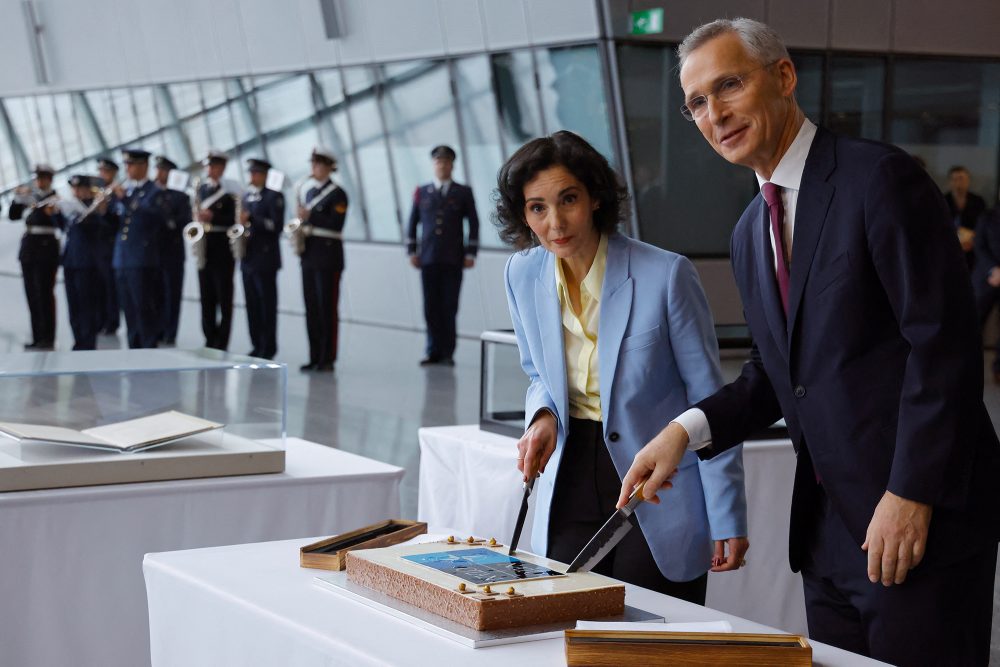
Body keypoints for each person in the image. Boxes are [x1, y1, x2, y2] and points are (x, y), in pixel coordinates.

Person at [616, 19, 1000, 666]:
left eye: (729, 85)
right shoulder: (747, 232)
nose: (716, 114)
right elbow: (772, 375)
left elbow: (945, 348)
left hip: (916, 518)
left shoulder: (879, 179)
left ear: (784, 77)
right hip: (825, 533)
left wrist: (910, 494)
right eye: (697, 103)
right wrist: (682, 432)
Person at [498, 131, 748, 602]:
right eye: (537, 207)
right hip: (570, 472)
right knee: (568, 626)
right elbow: (537, 374)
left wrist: (727, 513)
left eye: (568, 199)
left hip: (659, 481)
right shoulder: (521, 273)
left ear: (594, 197)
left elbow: (710, 402)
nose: (555, 222)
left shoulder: (666, 274)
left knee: (650, 641)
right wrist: (545, 415)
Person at [407, 145, 480, 366]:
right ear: (433, 165)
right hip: (428, 258)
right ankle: (432, 350)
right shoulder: (422, 191)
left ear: (452, 165)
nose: (442, 165)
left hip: (453, 258)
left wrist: (471, 252)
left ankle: (447, 352)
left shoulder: (463, 192)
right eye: (438, 161)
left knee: (449, 305)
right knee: (430, 306)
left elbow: (473, 223)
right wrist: (412, 250)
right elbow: (413, 222)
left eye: (446, 161)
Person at [297, 147, 347, 372]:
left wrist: (311, 216)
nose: (314, 169)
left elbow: (336, 224)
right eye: (313, 164)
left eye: (318, 165)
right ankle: (314, 355)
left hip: (328, 257)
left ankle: (327, 358)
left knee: (327, 308)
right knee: (311, 308)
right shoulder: (308, 193)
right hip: (309, 256)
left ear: (328, 167)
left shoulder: (338, 194)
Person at [112, 149, 167, 349]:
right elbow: (113, 225)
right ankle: (134, 347)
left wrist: (124, 200)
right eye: (126, 164)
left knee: (144, 307)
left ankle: (148, 347)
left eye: (131, 164)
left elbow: (152, 217)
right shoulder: (128, 191)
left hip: (142, 258)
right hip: (123, 258)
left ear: (143, 165)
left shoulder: (154, 191)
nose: (127, 168)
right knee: (129, 309)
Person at [8, 164, 60, 350]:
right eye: (38, 178)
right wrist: (17, 199)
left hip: (45, 250)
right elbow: (13, 216)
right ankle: (38, 335)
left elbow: (57, 222)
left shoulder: (52, 199)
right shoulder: (31, 197)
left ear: (50, 180)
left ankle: (48, 337)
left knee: (44, 293)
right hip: (29, 250)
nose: (40, 181)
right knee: (32, 294)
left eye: (43, 178)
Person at [61, 175, 113, 350]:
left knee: (87, 305)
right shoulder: (69, 208)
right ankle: (78, 339)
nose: (76, 192)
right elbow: (64, 226)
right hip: (70, 261)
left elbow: (98, 226)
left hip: (88, 263)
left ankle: (88, 341)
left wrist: (97, 208)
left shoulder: (96, 207)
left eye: (80, 189)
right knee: (73, 304)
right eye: (74, 189)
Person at [240, 158, 284, 360]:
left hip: (265, 259)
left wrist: (251, 220)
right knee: (252, 305)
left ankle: (268, 346)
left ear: (265, 175)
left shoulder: (273, 197)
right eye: (251, 173)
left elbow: (274, 226)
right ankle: (256, 343)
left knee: (266, 304)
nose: (252, 177)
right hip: (247, 258)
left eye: (256, 173)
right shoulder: (246, 197)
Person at [195, 150, 238, 351]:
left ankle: (222, 340)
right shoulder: (201, 190)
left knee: (224, 296)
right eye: (208, 166)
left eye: (213, 166)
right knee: (206, 296)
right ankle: (208, 336)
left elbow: (233, 219)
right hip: (205, 247)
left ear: (221, 167)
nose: (209, 170)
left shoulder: (230, 191)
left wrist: (213, 217)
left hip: (222, 248)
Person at [153, 156, 192, 345]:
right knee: (156, 293)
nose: (158, 174)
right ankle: (157, 328)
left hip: (172, 252)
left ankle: (170, 331)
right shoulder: (151, 193)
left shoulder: (180, 197)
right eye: (158, 170)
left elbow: (182, 223)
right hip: (154, 252)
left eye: (163, 171)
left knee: (171, 293)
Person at [973, 200, 1000, 382]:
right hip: (986, 278)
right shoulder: (987, 216)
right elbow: (978, 246)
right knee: (972, 323)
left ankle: (999, 369)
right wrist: (994, 269)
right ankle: (967, 369)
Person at [96, 157, 122, 335]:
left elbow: (115, 219)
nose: (101, 174)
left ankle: (112, 321)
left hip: (110, 243)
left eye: (105, 171)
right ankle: (100, 319)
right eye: (100, 171)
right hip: (96, 245)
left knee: (110, 285)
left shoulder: (116, 193)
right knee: (98, 286)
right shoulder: (97, 192)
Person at [943, 165, 987, 269]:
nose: (958, 182)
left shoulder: (978, 201)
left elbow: (983, 226)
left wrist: (973, 240)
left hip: (973, 247)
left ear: (968, 180)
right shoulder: (942, 200)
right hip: (949, 247)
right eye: (954, 179)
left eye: (961, 178)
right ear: (949, 182)